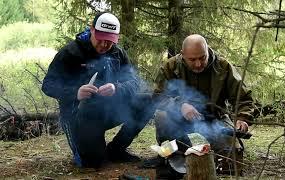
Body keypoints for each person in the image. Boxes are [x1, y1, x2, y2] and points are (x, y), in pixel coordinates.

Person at [42, 12, 149, 168]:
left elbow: (134, 82)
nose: (104, 45)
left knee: (147, 101)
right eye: (101, 39)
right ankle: (91, 151)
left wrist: (116, 88)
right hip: (78, 116)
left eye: (110, 41)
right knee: (93, 163)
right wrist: (75, 92)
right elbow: (48, 85)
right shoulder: (71, 53)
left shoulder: (117, 53)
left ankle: (116, 150)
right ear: (92, 29)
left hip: (109, 110)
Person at [153, 34, 255, 176]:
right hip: (179, 121)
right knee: (162, 116)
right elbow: (158, 97)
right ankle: (169, 154)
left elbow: (243, 98)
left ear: (208, 50)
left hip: (215, 120)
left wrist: (243, 118)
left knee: (229, 163)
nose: (198, 64)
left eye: (202, 57)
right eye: (192, 59)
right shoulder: (171, 66)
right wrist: (180, 105)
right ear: (183, 55)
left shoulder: (223, 67)